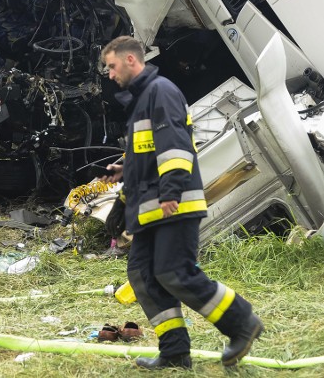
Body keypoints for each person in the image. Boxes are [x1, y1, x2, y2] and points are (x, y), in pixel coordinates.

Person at [100, 36, 263, 370]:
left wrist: (172, 191)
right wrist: (123, 188)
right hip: (149, 208)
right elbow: (147, 153)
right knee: (144, 276)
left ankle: (242, 322)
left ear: (131, 60)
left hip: (171, 204)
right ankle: (174, 352)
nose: (110, 74)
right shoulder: (142, 100)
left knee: (175, 272)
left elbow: (175, 145)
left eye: (112, 66)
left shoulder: (161, 91)